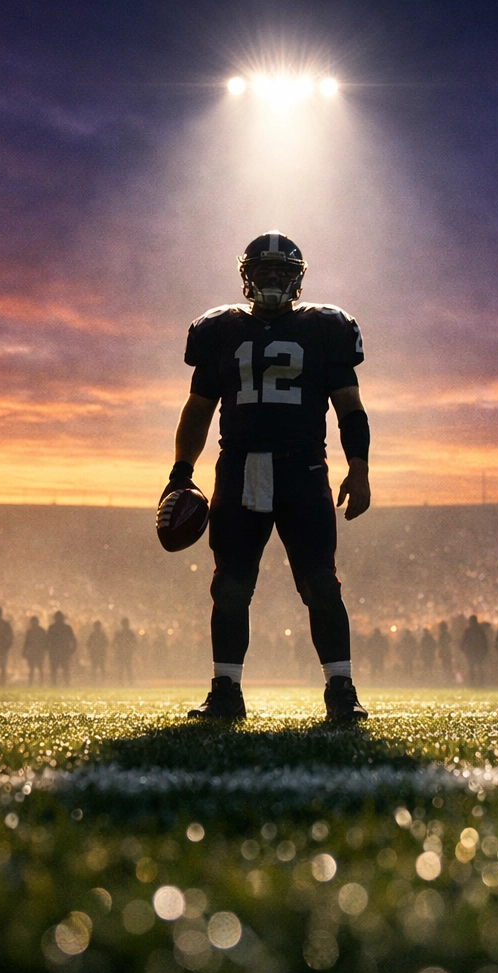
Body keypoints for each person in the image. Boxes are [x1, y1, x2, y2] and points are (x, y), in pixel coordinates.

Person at [164, 232, 371, 722]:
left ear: (297, 278)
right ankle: (226, 691)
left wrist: (359, 468)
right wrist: (180, 472)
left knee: (321, 583)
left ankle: (341, 688)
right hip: (238, 468)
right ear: (247, 276)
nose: (273, 278)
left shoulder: (325, 327)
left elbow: (351, 409)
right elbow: (198, 410)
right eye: (264, 270)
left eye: (282, 271)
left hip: (303, 467)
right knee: (230, 586)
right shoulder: (219, 330)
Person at [47, 611, 77, 684]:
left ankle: (60, 683)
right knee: (63, 669)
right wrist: (72, 649)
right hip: (62, 651)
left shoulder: (53, 627)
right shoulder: (66, 628)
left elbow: (47, 640)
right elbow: (73, 639)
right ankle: (64, 683)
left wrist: (73, 649)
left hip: (59, 651)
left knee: (60, 669)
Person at [460, 615, 488, 686]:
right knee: (480, 667)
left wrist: (463, 649)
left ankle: (472, 682)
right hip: (479, 651)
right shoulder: (480, 630)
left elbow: (463, 641)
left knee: (471, 667)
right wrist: (485, 651)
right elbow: (485, 641)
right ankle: (481, 683)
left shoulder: (468, 630)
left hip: (470, 652)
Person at [22, 616, 47, 685]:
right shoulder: (30, 631)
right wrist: (24, 651)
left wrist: (43, 650)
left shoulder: (40, 631)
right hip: (32, 652)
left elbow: (45, 642)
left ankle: (40, 683)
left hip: (38, 652)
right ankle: (31, 683)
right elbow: (26, 642)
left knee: (39, 668)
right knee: (32, 669)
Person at [113, 618, 137, 684]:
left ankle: (124, 681)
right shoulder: (129, 633)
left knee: (123, 668)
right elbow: (135, 642)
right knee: (126, 668)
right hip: (126, 653)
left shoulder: (120, 633)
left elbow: (114, 643)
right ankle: (128, 681)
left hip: (124, 653)